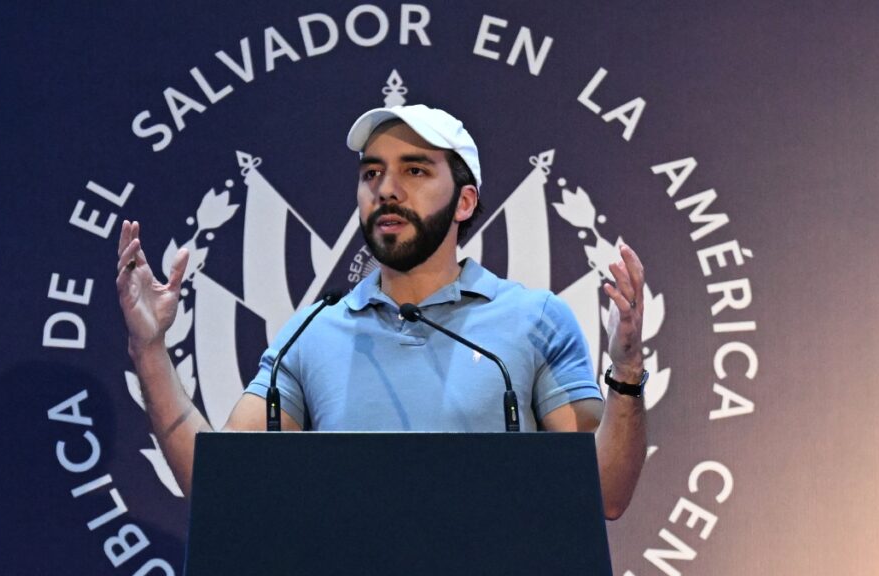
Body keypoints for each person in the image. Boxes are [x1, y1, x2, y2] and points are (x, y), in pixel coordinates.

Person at [116, 104, 647, 519]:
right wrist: (150, 349)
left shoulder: (535, 319)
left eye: (414, 170)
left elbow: (604, 495)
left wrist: (625, 373)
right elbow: (218, 488)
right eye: (372, 174)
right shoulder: (310, 334)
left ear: (464, 202)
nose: (386, 190)